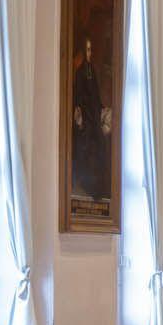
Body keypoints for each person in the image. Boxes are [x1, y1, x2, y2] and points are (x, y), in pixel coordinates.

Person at [70, 29, 113, 204]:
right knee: (86, 148)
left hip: (94, 116)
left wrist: (102, 109)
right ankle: (86, 184)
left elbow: (96, 95)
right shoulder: (80, 72)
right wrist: (81, 112)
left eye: (91, 50)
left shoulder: (92, 70)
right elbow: (79, 95)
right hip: (86, 118)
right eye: (87, 49)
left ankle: (99, 189)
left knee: (101, 147)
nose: (89, 53)